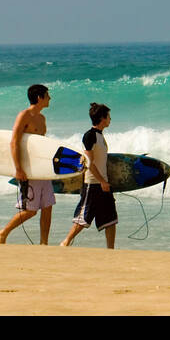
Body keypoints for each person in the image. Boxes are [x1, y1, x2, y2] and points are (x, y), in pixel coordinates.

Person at [0, 84, 56, 244]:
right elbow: (14, 142)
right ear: (39, 98)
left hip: (42, 170)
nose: (50, 98)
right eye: (47, 95)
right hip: (29, 170)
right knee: (30, 210)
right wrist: (18, 169)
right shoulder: (24, 116)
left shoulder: (42, 119)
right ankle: (3, 232)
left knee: (48, 206)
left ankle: (44, 242)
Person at [61, 103, 118, 249]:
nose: (110, 119)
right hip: (92, 184)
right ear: (102, 118)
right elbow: (89, 163)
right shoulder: (89, 136)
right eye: (108, 116)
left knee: (111, 219)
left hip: (103, 183)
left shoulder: (100, 136)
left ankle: (110, 250)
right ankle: (65, 242)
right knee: (83, 218)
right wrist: (101, 181)